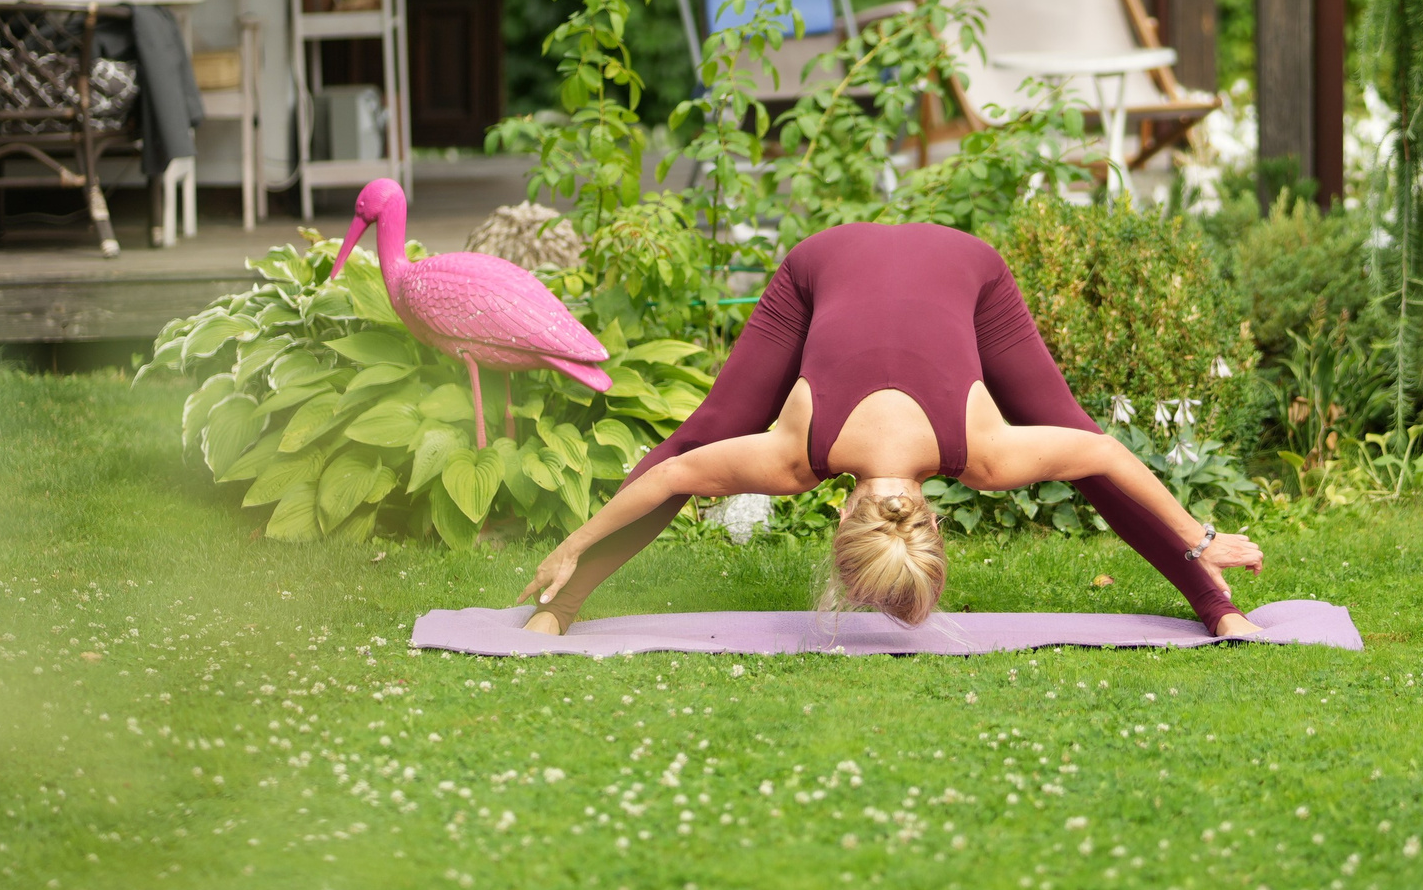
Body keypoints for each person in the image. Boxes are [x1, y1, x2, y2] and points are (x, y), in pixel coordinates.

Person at [519, 222, 1266, 636]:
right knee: (710, 430)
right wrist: (572, 541)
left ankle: (560, 609)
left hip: (960, 270)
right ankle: (1220, 610)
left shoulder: (975, 456)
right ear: (847, 518)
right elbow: (674, 472)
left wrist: (1201, 536)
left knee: (704, 437)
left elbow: (673, 475)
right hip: (830, 267)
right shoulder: (800, 457)